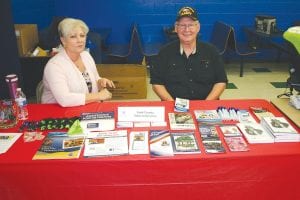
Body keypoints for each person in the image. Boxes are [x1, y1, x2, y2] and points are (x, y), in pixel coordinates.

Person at [151, 6, 228, 101]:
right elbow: (157, 83)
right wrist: (172, 104)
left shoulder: (211, 51)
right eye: (182, 25)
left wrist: (205, 104)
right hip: (173, 105)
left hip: (206, 105)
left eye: (191, 25)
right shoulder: (164, 53)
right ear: (176, 28)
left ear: (198, 27)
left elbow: (221, 81)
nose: (187, 30)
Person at [41, 18, 115, 107]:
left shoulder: (86, 56)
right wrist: (98, 96)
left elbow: (94, 80)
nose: (79, 40)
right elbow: (64, 99)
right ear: (63, 40)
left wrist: (100, 82)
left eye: (82, 35)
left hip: (84, 108)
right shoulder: (54, 66)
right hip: (57, 114)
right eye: (73, 36)